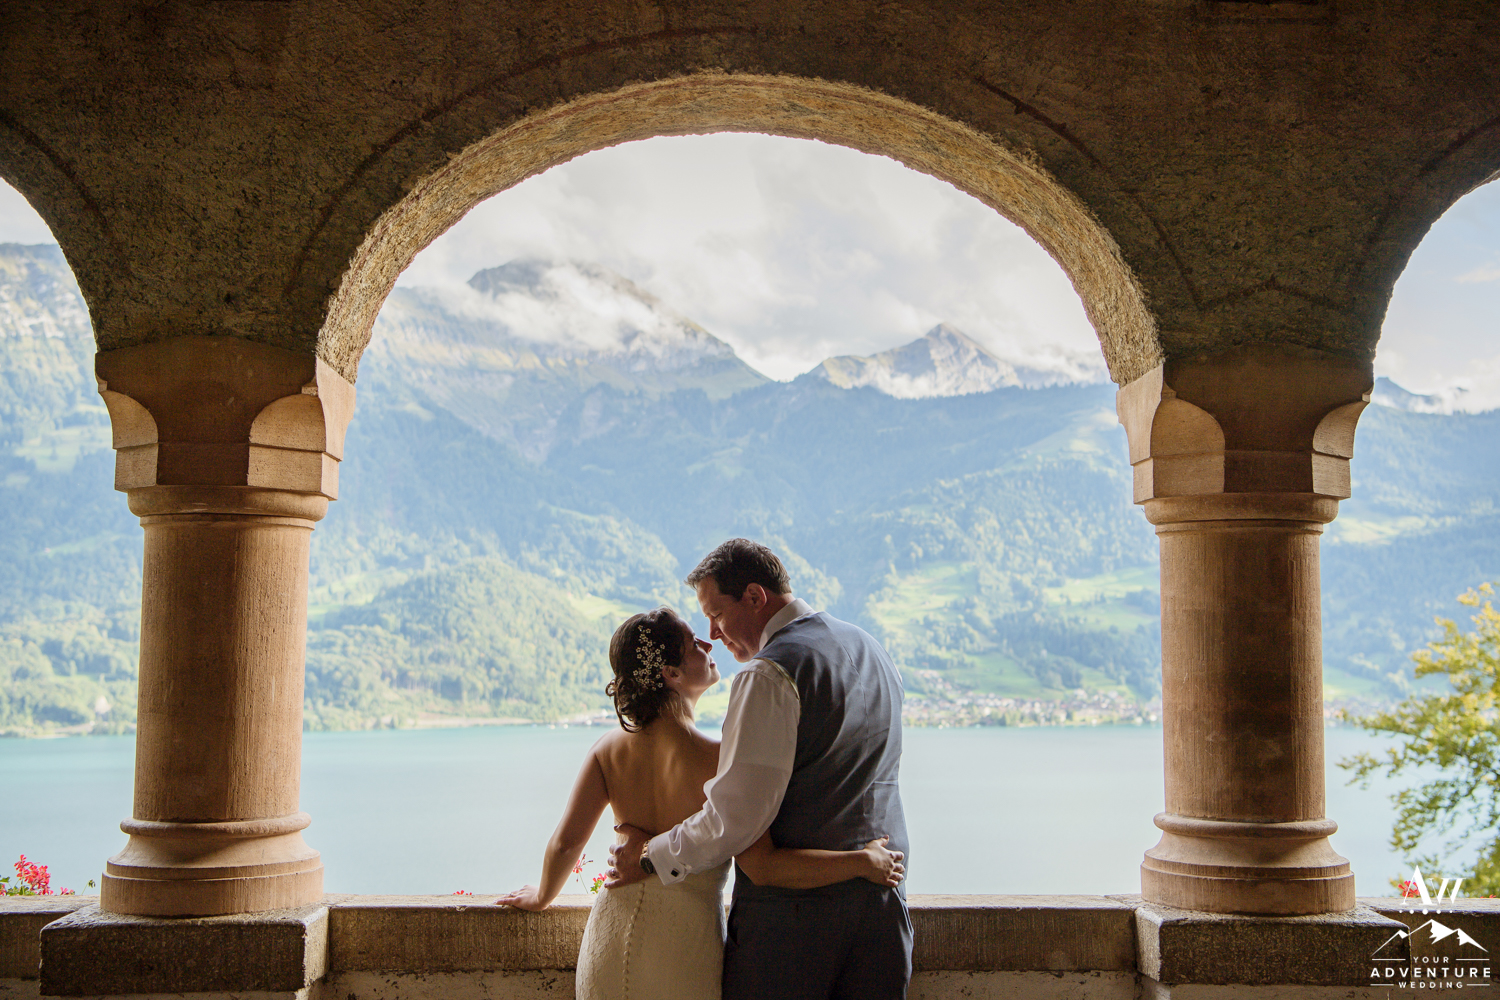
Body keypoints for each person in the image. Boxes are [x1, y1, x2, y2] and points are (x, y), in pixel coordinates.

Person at [497, 605, 904, 1000]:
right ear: (671, 673)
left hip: (609, 937)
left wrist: (541, 897)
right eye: (694, 643)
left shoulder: (607, 750)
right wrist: (861, 862)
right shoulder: (721, 759)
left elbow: (566, 843)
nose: (709, 645)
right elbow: (764, 866)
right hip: (681, 948)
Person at [607, 539, 912, 1000]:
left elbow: (734, 820)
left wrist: (651, 855)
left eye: (717, 614)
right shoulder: (873, 650)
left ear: (754, 596)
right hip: (884, 916)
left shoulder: (767, 675)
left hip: (792, 935)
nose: (713, 633)